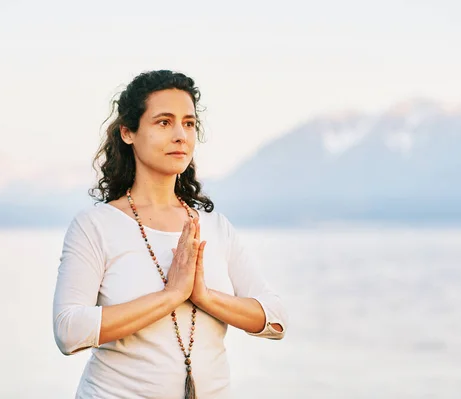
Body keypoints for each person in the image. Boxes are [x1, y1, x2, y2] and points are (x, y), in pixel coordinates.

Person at [52, 70, 288, 399]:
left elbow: (275, 320)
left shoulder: (215, 227)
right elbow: (68, 330)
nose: (180, 135)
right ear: (127, 132)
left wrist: (205, 297)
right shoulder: (96, 226)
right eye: (164, 122)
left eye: (189, 123)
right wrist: (171, 295)